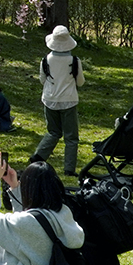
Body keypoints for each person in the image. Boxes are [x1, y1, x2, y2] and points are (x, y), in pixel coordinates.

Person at [32, 25, 85, 176]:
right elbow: (80, 82)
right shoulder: (74, 60)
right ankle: (69, 169)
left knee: (53, 132)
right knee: (71, 137)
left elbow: (42, 80)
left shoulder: (46, 60)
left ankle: (38, 156)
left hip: (50, 99)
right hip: (69, 100)